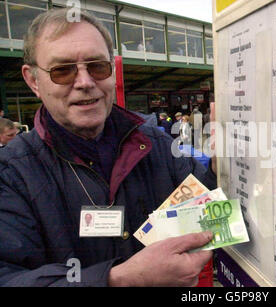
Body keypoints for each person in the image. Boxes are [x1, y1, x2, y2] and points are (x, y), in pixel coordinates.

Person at [0, 8, 217, 287]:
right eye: (62, 71)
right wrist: (118, 280)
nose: (85, 82)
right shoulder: (11, 175)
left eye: (97, 66)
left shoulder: (157, 145)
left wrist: (219, 167)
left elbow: (207, 207)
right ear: (33, 80)